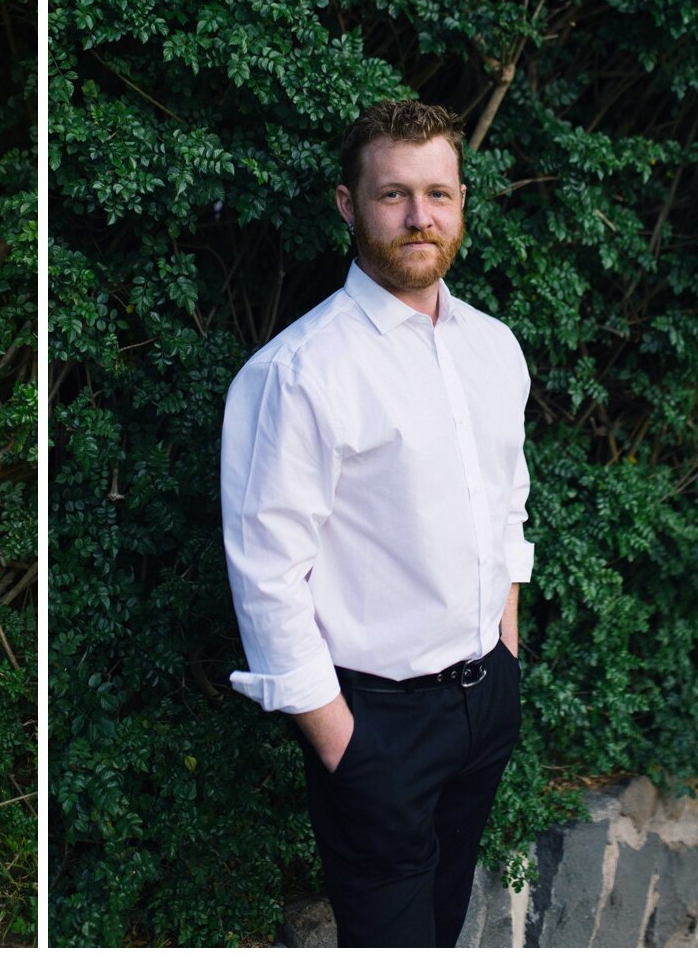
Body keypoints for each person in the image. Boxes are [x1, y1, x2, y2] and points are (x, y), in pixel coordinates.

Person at [221, 100, 532, 947]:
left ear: (463, 201)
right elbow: (267, 579)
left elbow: (508, 502)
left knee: (440, 927)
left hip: (484, 701)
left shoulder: (495, 347)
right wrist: (344, 745)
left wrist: (504, 648)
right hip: (377, 726)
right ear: (348, 205)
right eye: (394, 195)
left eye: (439, 193)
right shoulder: (298, 372)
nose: (420, 217)